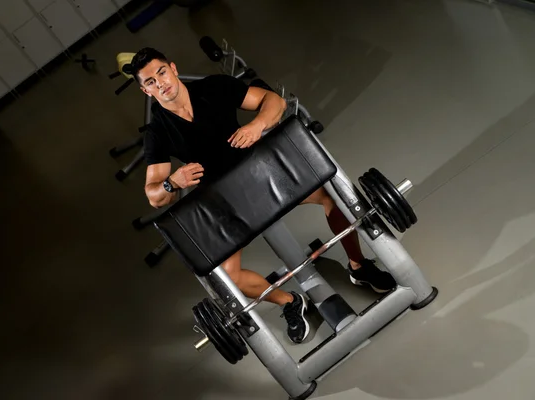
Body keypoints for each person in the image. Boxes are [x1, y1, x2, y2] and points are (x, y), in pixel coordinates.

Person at [135, 47, 395, 344]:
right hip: (224, 201)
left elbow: (274, 100)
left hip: (261, 173)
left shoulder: (213, 87)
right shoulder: (157, 132)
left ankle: (358, 266)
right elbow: (154, 195)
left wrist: (257, 125)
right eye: (151, 82)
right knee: (228, 280)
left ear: (173, 68)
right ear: (146, 90)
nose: (160, 83)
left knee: (334, 196)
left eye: (161, 73)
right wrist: (172, 182)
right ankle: (289, 301)